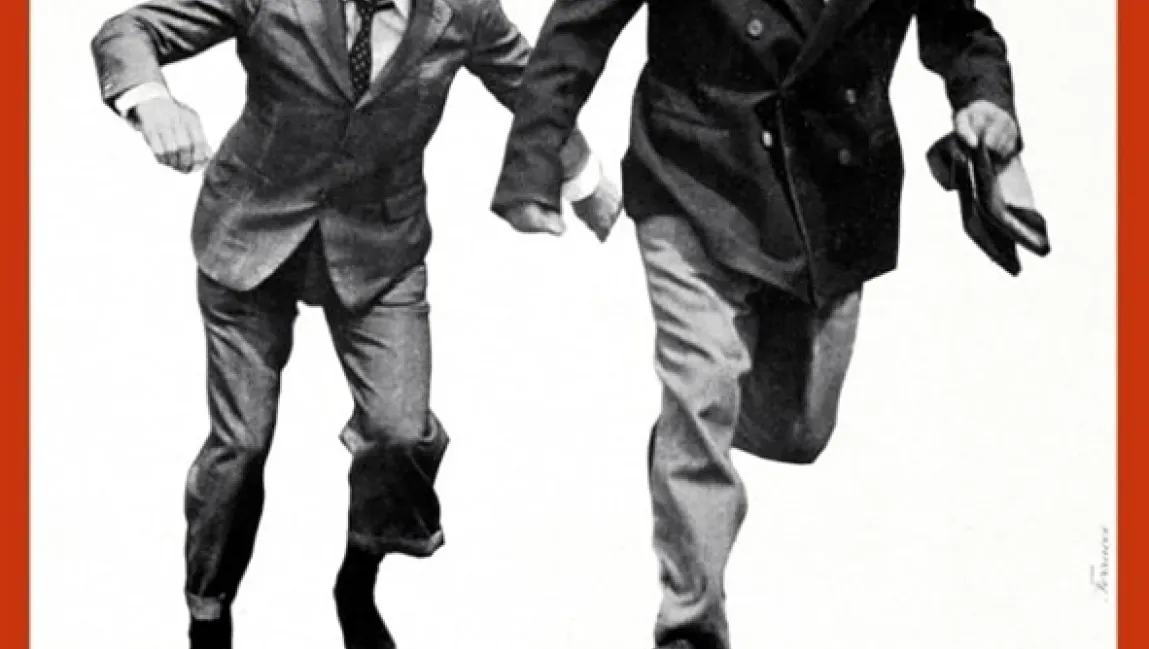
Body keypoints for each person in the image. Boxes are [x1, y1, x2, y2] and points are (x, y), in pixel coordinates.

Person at [491, 2, 1022, 649]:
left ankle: (686, 439)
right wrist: (532, 160)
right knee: (703, 385)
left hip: (832, 187)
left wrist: (984, 99)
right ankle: (690, 623)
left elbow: (959, 30)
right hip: (694, 170)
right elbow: (579, 27)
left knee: (800, 430)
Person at [90, 0, 619, 647]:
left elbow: (533, 88)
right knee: (241, 446)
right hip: (250, 231)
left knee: (400, 433)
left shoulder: (464, 11)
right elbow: (129, 30)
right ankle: (208, 608)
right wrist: (152, 101)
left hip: (380, 246)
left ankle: (358, 574)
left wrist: (585, 179)